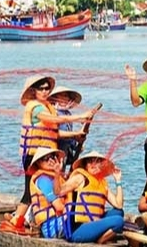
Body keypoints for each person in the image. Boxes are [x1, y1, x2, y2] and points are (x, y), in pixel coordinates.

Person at [6, 76, 97, 230]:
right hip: (35, 155)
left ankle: (24, 218)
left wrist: (75, 135)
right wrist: (81, 116)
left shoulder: (48, 106)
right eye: (41, 88)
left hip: (49, 154)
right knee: (30, 189)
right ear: (34, 91)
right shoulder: (35, 107)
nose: (45, 91)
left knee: (54, 186)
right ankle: (17, 221)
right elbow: (53, 121)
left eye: (47, 88)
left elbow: (55, 133)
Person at [60, 150, 124, 244]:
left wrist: (118, 180)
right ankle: (100, 241)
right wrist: (57, 173)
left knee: (118, 212)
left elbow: (119, 205)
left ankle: (97, 236)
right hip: (78, 229)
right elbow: (59, 191)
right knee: (119, 221)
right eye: (90, 161)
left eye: (97, 161)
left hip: (92, 224)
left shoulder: (102, 183)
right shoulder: (80, 178)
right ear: (85, 165)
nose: (93, 164)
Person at [26, 147, 70, 239]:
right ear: (38, 163)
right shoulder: (43, 180)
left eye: (52, 157)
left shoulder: (55, 178)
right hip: (51, 227)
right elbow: (59, 206)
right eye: (46, 159)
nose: (50, 161)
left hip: (60, 221)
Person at [47, 85, 83, 174]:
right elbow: (57, 134)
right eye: (61, 96)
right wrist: (75, 135)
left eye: (66, 96)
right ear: (55, 99)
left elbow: (69, 134)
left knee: (61, 173)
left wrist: (76, 145)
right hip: (55, 150)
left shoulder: (68, 114)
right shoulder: (53, 113)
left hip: (65, 151)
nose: (64, 99)